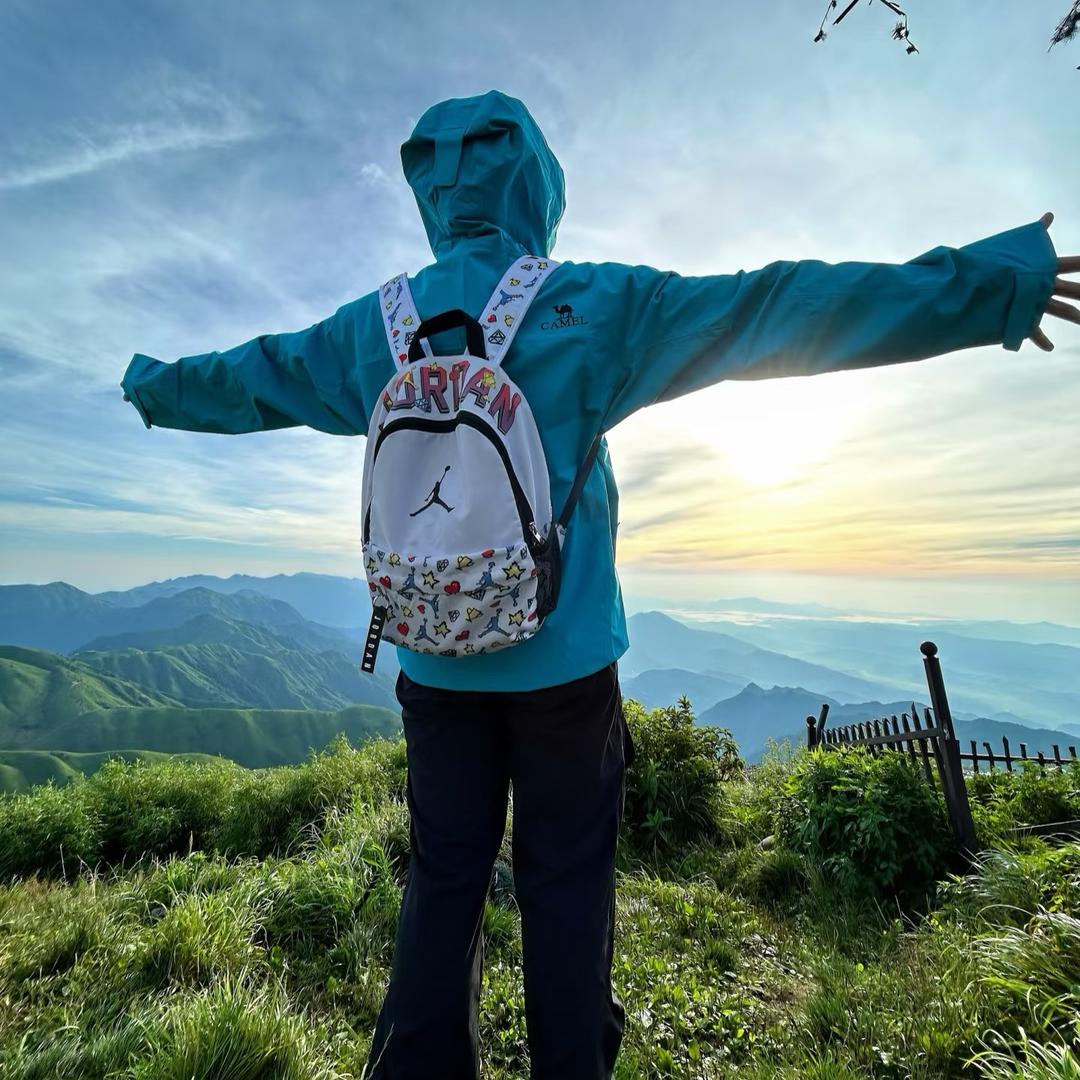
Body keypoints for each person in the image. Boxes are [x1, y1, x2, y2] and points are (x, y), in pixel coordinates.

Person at [121, 90, 1079, 1080]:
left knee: (443, 880)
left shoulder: (373, 328)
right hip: (565, 674)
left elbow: (250, 374)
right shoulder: (596, 304)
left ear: (426, 193)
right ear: (536, 184)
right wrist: (989, 285)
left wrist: (152, 382)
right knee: (567, 886)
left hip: (434, 664)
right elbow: (778, 305)